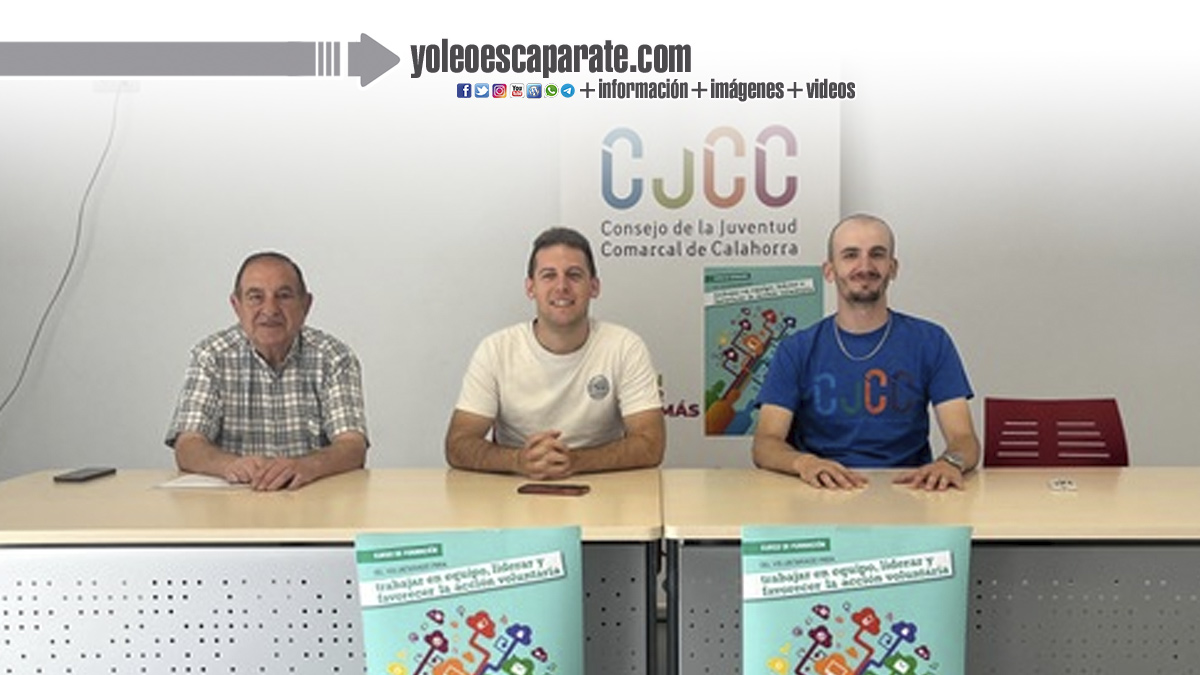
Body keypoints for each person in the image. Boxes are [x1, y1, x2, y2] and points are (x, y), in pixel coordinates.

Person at [752, 214, 980, 491]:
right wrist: (805, 463)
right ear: (829, 270)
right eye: (850, 255)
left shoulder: (931, 341)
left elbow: (964, 439)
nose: (865, 266)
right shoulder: (796, 349)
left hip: (909, 491)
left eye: (877, 254)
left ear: (892, 268)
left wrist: (950, 463)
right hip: (820, 493)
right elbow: (765, 444)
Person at [445, 227, 665, 480]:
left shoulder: (625, 346)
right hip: (516, 488)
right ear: (530, 288)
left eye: (574, 275)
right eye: (549, 275)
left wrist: (575, 461)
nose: (562, 286)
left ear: (594, 287)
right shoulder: (495, 350)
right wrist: (518, 461)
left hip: (602, 485)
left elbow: (651, 445)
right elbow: (457, 444)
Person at [165, 251, 369, 491]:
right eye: (255, 297)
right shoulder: (210, 357)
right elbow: (188, 445)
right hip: (233, 500)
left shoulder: (335, 358)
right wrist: (230, 465)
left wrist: (307, 466)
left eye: (283, 296)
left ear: (306, 305)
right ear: (236, 306)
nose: (270, 309)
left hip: (312, 498)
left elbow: (352, 446)